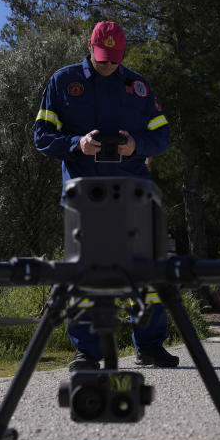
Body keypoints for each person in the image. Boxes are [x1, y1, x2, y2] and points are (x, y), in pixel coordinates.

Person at [33, 21, 178, 372]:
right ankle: (88, 352)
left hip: (134, 193)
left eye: (114, 59)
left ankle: (150, 345)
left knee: (148, 271)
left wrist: (135, 145)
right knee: (85, 275)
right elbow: (41, 136)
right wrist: (76, 143)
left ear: (123, 53)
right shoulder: (64, 82)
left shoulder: (139, 87)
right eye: (102, 59)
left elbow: (162, 136)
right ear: (89, 47)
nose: (108, 65)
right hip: (85, 195)